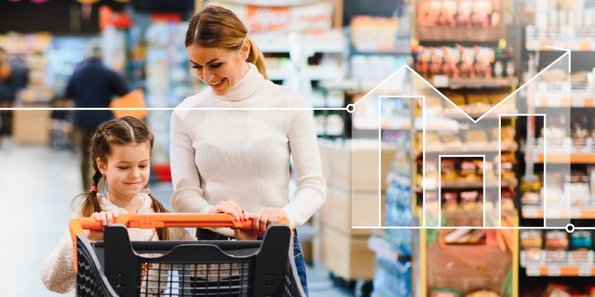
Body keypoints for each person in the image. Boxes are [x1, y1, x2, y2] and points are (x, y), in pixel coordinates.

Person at [170, 5, 326, 295]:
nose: (206, 76)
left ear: (243, 49)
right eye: (196, 66)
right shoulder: (186, 113)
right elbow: (183, 193)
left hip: (276, 253)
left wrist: (285, 216)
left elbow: (313, 185)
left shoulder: (288, 103)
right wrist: (212, 213)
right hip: (211, 261)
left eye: (215, 65)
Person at [40, 116, 193, 294]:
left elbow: (205, 267)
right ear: (102, 165)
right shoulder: (89, 214)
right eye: (123, 167)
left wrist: (230, 231)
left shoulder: (160, 218)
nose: (135, 174)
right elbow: (52, 280)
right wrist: (87, 240)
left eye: (143, 166)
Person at [65, 44, 130, 190]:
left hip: (80, 120)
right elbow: (125, 91)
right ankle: (97, 189)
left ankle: (84, 189)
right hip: (102, 121)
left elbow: (67, 93)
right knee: (101, 155)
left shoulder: (77, 72)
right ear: (101, 55)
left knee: (83, 154)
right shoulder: (108, 72)